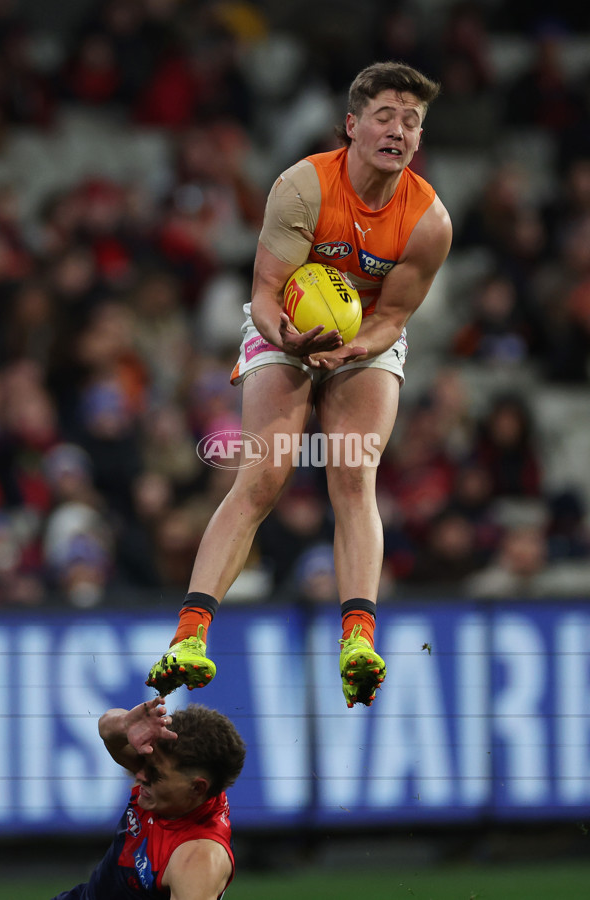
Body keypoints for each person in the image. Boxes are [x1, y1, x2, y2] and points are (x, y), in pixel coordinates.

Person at [146, 60, 452, 708]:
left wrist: (355, 346)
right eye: (385, 116)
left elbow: (393, 316)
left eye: (412, 121)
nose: (399, 130)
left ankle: (358, 640)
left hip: (365, 335)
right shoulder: (304, 187)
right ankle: (189, 636)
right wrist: (289, 339)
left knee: (352, 469)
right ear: (352, 125)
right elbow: (261, 293)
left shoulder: (429, 222)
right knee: (263, 472)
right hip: (285, 324)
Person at [52, 695, 246, 900]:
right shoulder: (165, 782)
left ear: (197, 788)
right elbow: (108, 731)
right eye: (144, 761)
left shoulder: (197, 859)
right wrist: (126, 724)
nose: (139, 774)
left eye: (154, 773)